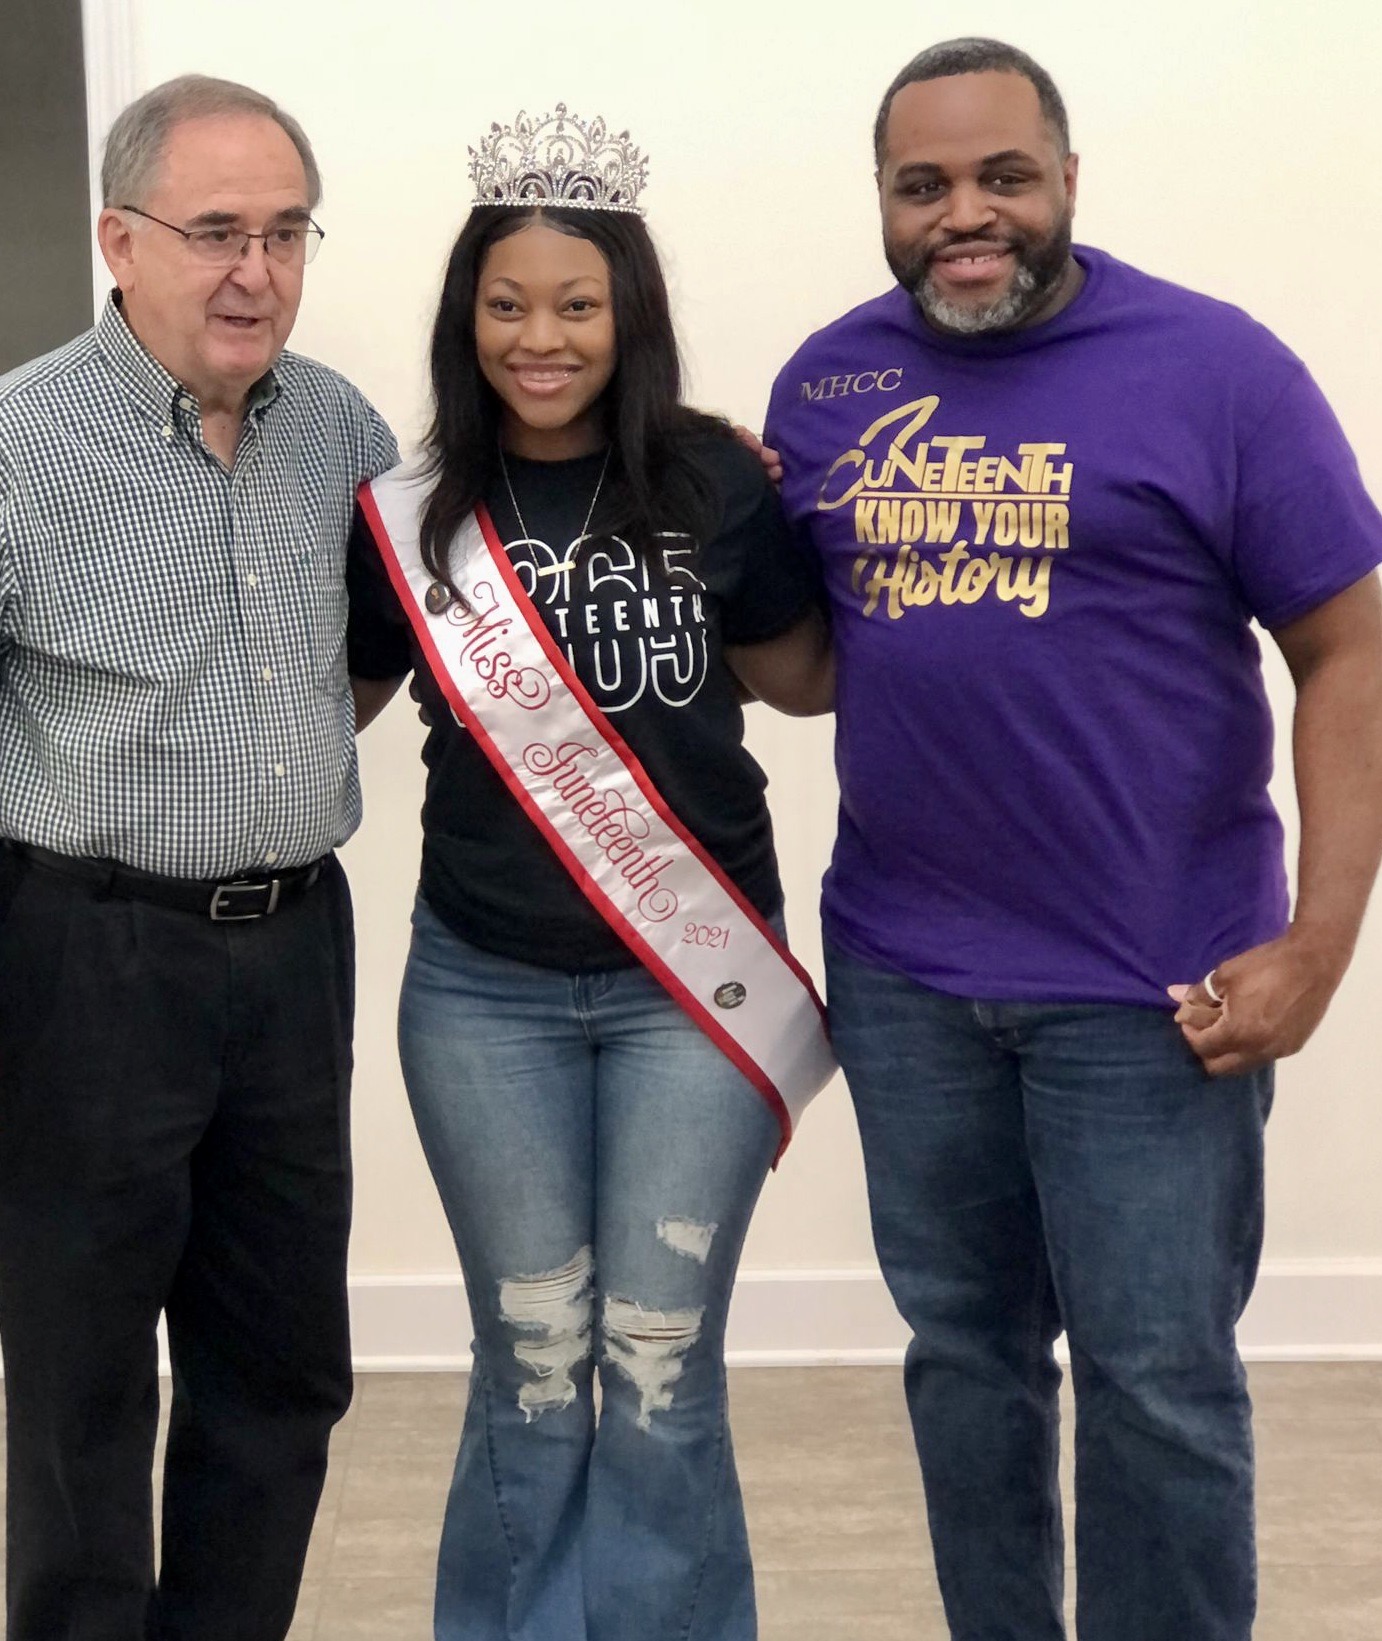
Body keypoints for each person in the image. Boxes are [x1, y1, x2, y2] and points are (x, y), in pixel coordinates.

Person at [762, 37, 1382, 1641]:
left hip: (1153, 986)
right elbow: (824, 673)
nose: (964, 214)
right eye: (922, 186)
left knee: (1156, 1384)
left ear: (1066, 181)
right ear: (884, 203)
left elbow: (1348, 648)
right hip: (905, 977)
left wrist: (1319, 940)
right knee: (963, 1362)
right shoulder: (826, 386)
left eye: (1000, 177)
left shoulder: (1216, 369)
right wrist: (719, 538)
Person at [347, 104, 833, 1641]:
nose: (538, 337)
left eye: (575, 304)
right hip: (479, 990)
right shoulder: (416, 515)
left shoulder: (714, 483)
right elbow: (323, 704)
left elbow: (805, 679)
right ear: (463, 316)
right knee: (534, 1368)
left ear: (629, 312)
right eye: (506, 305)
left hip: (685, 987)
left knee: (659, 1368)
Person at [0, 75, 397, 1641]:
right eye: (217, 230)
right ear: (120, 239)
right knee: (83, 1383)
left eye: (286, 231)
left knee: (283, 1371)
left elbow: (378, 649)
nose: (258, 270)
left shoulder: (340, 429)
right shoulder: (22, 440)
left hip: (294, 952)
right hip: (86, 957)